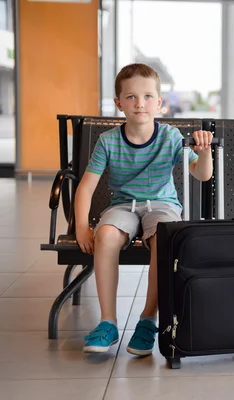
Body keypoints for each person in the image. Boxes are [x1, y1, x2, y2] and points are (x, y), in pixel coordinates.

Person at [74, 63, 213, 355]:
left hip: (162, 206)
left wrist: (205, 154)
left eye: (148, 96)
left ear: (159, 103)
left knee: (164, 239)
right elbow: (85, 187)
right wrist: (82, 227)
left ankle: (148, 321)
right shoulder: (109, 140)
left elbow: (201, 174)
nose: (140, 104)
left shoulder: (171, 137)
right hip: (123, 206)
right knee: (107, 235)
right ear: (119, 103)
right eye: (132, 97)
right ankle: (108, 322)